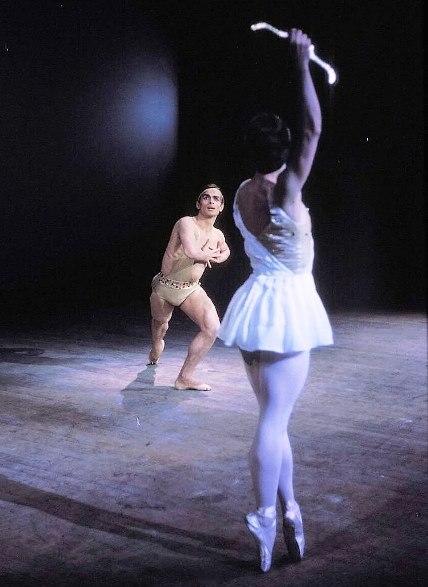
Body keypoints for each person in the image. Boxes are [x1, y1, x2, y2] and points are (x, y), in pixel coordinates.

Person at [217, 29, 333, 572]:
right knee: (271, 424)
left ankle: (290, 509)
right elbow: (312, 126)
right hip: (285, 308)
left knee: (274, 419)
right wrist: (303, 62)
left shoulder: (241, 192)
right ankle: (265, 515)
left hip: (256, 306)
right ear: (282, 152)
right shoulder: (285, 190)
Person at [148, 184, 230, 391]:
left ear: (221, 207)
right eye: (206, 197)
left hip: (191, 289)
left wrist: (222, 254)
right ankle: (156, 346)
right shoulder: (186, 223)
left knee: (212, 328)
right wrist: (208, 255)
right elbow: (192, 251)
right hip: (165, 287)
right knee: (161, 325)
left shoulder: (218, 234)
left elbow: (225, 250)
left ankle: (184, 377)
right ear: (198, 203)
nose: (211, 201)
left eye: (216, 199)